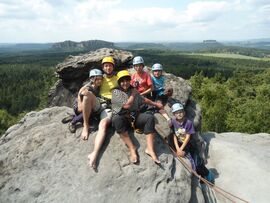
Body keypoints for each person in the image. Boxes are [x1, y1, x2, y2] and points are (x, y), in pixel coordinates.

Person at [111, 70, 163, 164]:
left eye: (127, 80)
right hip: (123, 119)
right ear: (119, 82)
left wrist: (156, 104)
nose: (125, 83)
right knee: (116, 119)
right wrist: (133, 94)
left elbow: (143, 99)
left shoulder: (133, 90)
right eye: (122, 81)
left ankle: (150, 149)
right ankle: (132, 148)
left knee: (149, 118)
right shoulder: (116, 92)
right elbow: (126, 105)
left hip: (135, 117)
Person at [170, 103, 214, 183]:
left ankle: (209, 176)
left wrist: (180, 149)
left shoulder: (188, 123)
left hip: (191, 145)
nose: (179, 114)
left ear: (184, 112)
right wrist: (177, 149)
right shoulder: (173, 122)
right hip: (180, 145)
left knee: (197, 163)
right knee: (190, 163)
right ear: (173, 114)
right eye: (176, 112)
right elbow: (174, 136)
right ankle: (199, 177)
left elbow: (187, 137)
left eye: (180, 111)